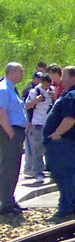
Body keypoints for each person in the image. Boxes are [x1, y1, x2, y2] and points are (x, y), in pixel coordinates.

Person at [42, 66, 75, 220]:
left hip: (66, 142)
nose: (61, 79)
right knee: (73, 173)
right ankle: (73, 206)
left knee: (64, 174)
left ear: (73, 78)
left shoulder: (73, 96)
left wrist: (57, 133)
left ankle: (66, 207)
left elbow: (70, 118)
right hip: (74, 141)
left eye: (64, 75)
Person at [0, 63, 28, 216]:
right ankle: (5, 203)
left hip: (15, 131)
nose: (22, 74)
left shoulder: (11, 89)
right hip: (8, 132)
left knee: (14, 168)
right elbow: (1, 112)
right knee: (8, 168)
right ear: (11, 72)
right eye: (20, 71)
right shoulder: (4, 89)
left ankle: (9, 198)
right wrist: (11, 133)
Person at [23, 74, 55, 183]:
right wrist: (36, 100)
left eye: (48, 85)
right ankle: (38, 172)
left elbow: (55, 104)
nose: (47, 87)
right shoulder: (34, 91)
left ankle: (52, 171)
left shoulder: (51, 90)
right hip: (38, 122)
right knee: (38, 148)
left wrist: (53, 96)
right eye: (45, 85)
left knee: (50, 148)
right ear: (41, 82)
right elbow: (27, 106)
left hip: (49, 122)